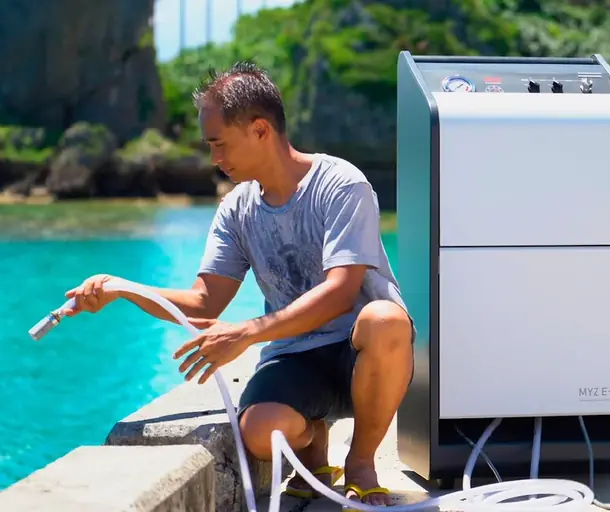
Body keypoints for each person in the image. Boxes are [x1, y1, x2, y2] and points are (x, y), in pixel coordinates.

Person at [62, 61, 414, 507]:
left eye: (219, 144)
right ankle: (313, 441)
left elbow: (342, 292)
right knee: (260, 433)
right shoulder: (236, 209)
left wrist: (245, 333)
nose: (214, 159)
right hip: (296, 357)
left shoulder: (342, 185)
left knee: (385, 319)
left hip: (361, 353)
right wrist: (122, 289)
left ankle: (361, 462)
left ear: (261, 130)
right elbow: (204, 301)